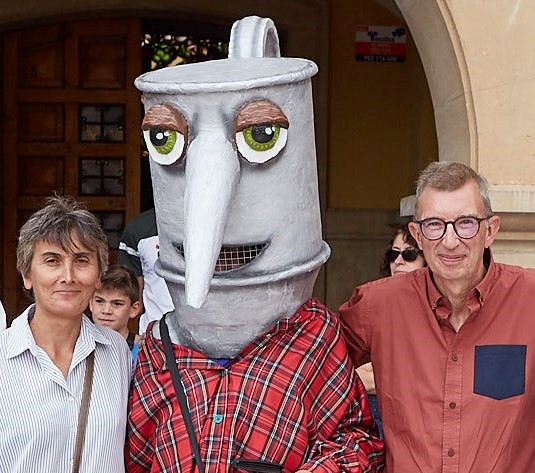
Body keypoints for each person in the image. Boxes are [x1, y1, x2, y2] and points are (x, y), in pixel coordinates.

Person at [127, 16, 384, 473]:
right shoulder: (158, 347)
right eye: (164, 139)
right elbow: (136, 452)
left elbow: (354, 441)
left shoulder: (312, 338)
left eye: (262, 134)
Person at [339, 161, 535, 472]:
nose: (450, 241)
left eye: (466, 223)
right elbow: (307, 374)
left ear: (490, 230)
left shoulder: (529, 300)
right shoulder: (379, 305)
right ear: (417, 234)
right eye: (434, 225)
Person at [0, 195, 132, 472]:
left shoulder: (117, 352)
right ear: (26, 274)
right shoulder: (3, 356)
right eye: (52, 261)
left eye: (81, 260)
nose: (68, 276)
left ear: (99, 275)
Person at [357, 223, 425, 438]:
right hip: (373, 417)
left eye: (409, 254)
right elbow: (357, 374)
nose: (398, 261)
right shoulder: (375, 302)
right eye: (392, 254)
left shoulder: (438, 309)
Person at [118, 207, 174, 333]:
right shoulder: (139, 228)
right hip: (154, 337)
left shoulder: (214, 222)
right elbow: (132, 297)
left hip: (206, 338)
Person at [90, 264, 142, 363]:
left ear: (134, 309)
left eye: (117, 304)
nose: (106, 310)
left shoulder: (143, 350)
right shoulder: (76, 346)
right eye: (99, 301)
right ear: (91, 303)